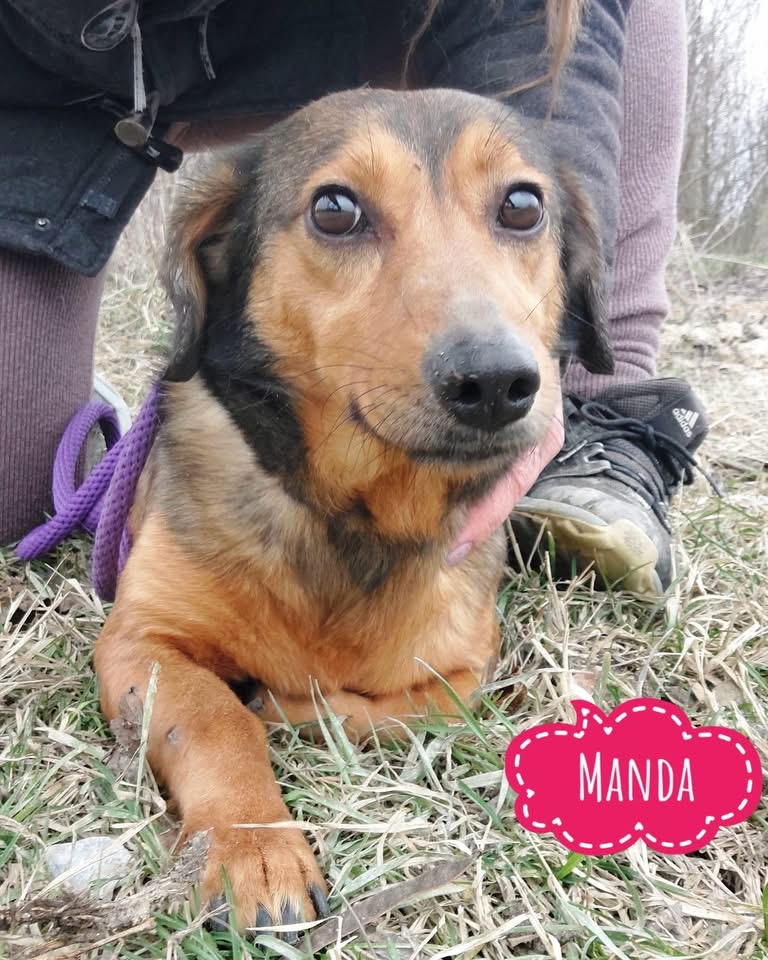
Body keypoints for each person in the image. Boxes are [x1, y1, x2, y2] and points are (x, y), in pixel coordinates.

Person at [0, 0, 705, 598]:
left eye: (518, 211)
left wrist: (552, 335)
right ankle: (91, 419)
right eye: (338, 216)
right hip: (51, 63)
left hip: (365, 19)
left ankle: (599, 413)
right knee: (11, 496)